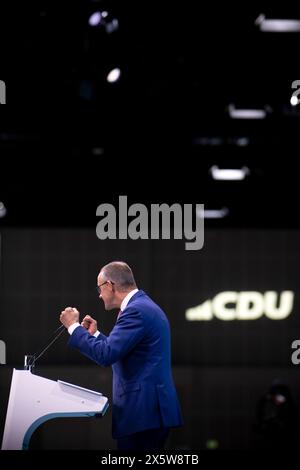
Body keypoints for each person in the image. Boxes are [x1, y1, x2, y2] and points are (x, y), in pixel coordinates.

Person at [60, 261, 183, 450]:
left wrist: (73, 327)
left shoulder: (136, 310)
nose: (100, 295)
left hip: (144, 413)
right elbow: (121, 351)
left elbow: (106, 355)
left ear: (110, 285)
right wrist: (95, 336)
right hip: (148, 413)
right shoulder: (142, 306)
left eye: (99, 288)